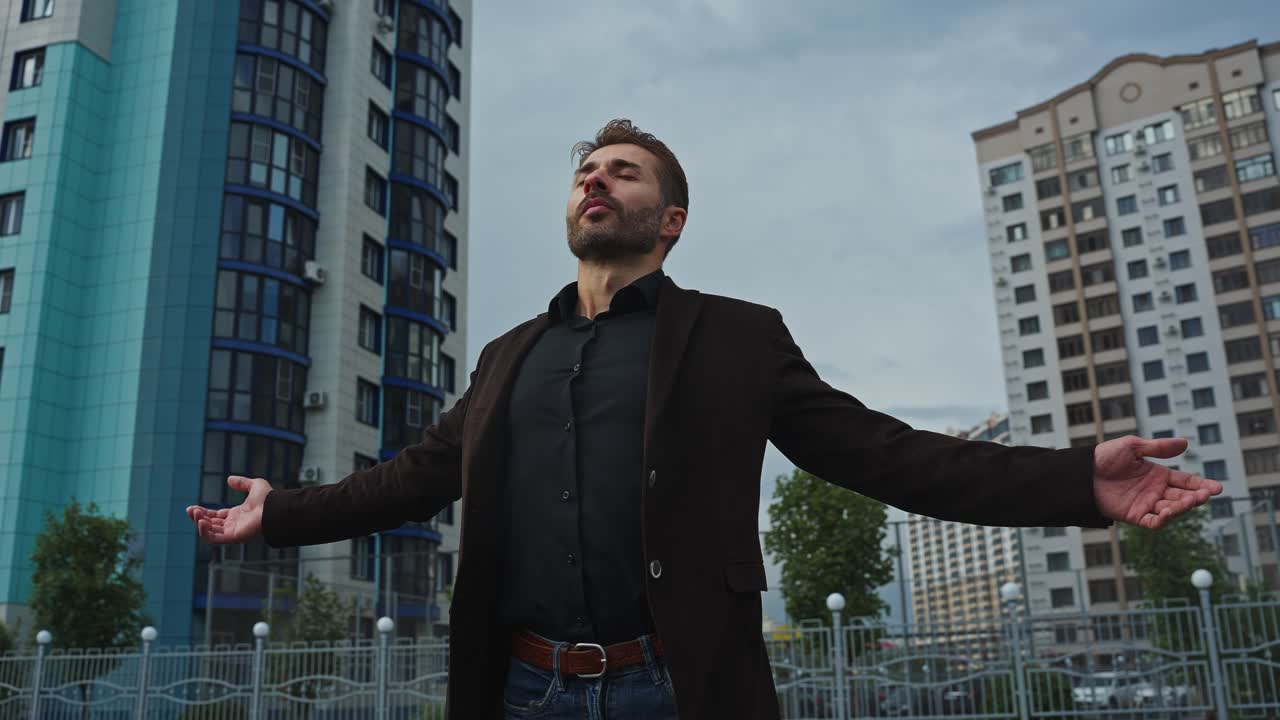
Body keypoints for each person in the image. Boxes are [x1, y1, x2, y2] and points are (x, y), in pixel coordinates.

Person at [187, 119, 1222, 720]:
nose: (594, 178)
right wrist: (279, 515)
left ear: (668, 219)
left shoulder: (734, 339)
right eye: (584, 170)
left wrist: (1075, 480)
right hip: (519, 688)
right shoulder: (510, 356)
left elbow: (884, 456)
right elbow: (412, 478)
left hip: (675, 690)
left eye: (621, 171)